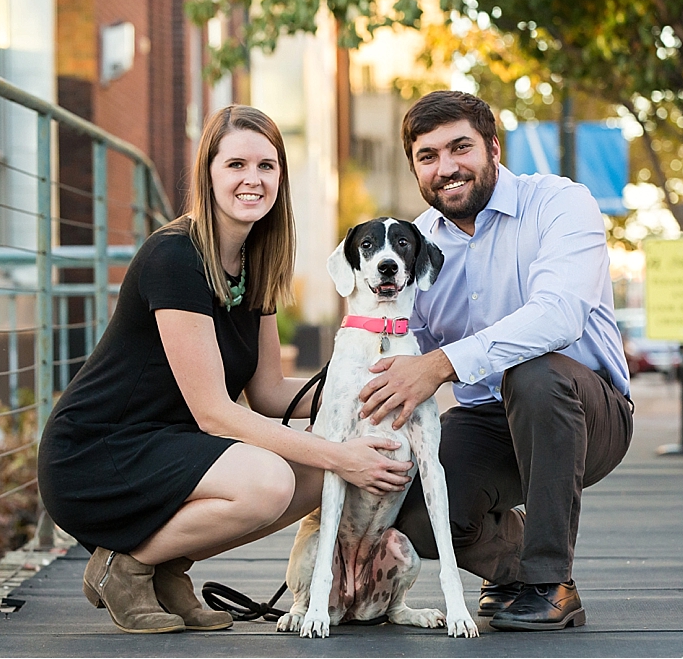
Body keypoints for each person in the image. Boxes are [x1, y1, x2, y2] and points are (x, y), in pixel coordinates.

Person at [38, 105, 412, 634]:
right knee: (271, 481)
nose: (252, 180)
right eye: (236, 164)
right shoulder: (175, 258)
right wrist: (340, 453)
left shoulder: (254, 264)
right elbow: (215, 413)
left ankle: (166, 569)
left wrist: (378, 390)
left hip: (169, 446)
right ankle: (126, 567)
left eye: (267, 166)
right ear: (208, 173)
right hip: (99, 452)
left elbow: (268, 394)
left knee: (316, 475)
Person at [358, 91, 633, 631]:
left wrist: (439, 365)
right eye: (428, 156)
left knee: (533, 372)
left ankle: (550, 584)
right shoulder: (414, 246)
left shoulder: (559, 203)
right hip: (487, 421)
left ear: (493, 147)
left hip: (583, 408)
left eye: (460, 147)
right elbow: (396, 348)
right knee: (411, 503)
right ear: (415, 167)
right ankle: (516, 568)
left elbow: (558, 317)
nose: (447, 167)